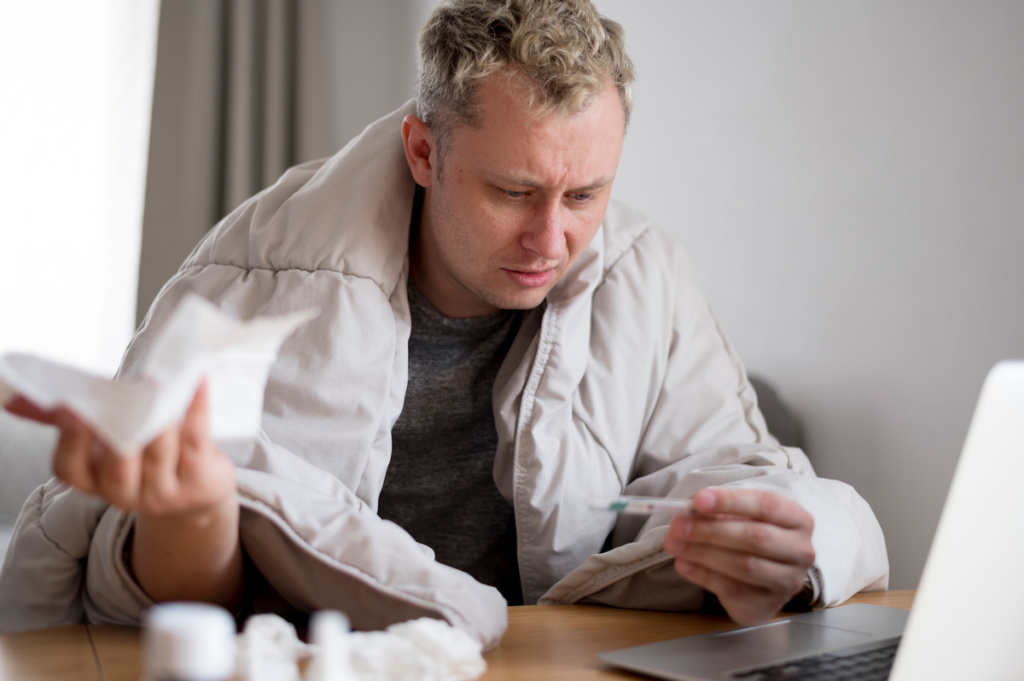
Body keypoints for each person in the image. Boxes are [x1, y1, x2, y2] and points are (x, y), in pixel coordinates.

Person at [0, 0, 887, 645]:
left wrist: (781, 550)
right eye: (512, 191)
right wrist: (190, 511)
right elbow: (145, 600)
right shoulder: (259, 270)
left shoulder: (641, 271)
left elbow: (747, 474)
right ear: (424, 151)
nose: (554, 238)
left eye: (586, 194)